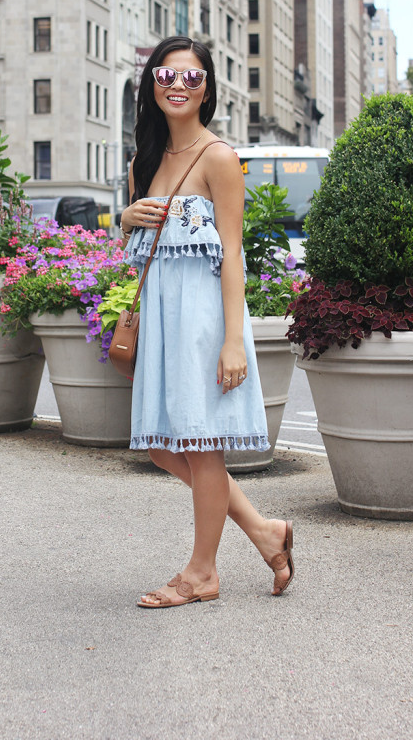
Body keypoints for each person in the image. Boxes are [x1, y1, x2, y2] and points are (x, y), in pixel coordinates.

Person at [120, 35, 295, 608]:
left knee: (199, 446)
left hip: (202, 321)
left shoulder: (218, 157)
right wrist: (127, 217)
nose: (178, 86)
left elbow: (233, 254)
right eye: (166, 76)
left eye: (191, 78)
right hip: (163, 317)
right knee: (164, 447)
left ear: (207, 90)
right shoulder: (143, 163)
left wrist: (232, 343)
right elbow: (139, 254)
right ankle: (265, 532)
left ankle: (202, 573)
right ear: (152, 85)